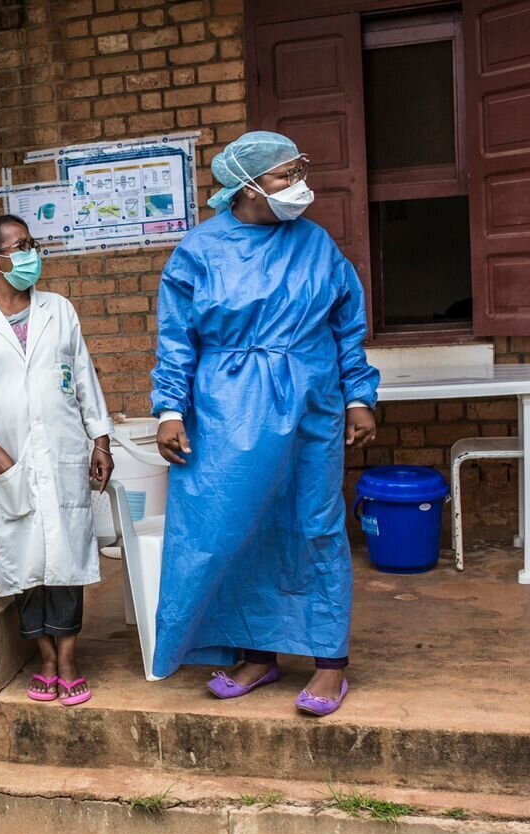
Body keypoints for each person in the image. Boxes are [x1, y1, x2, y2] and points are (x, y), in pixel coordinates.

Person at [150, 131, 380, 717]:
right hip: (227, 407)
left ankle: (329, 662)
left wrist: (359, 396)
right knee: (239, 525)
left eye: (301, 170)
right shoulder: (200, 251)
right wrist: (171, 410)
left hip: (309, 400)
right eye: (285, 175)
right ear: (248, 186)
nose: (299, 184)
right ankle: (257, 653)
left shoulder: (316, 244)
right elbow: (177, 339)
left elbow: (347, 326)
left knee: (314, 522)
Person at [0, 215, 114, 707]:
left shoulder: (58, 309)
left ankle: (70, 660)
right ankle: (45, 659)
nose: (33, 253)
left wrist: (101, 441)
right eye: (22, 246)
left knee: (68, 559)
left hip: (63, 451)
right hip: (7, 459)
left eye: (32, 243)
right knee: (24, 562)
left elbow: (83, 376)